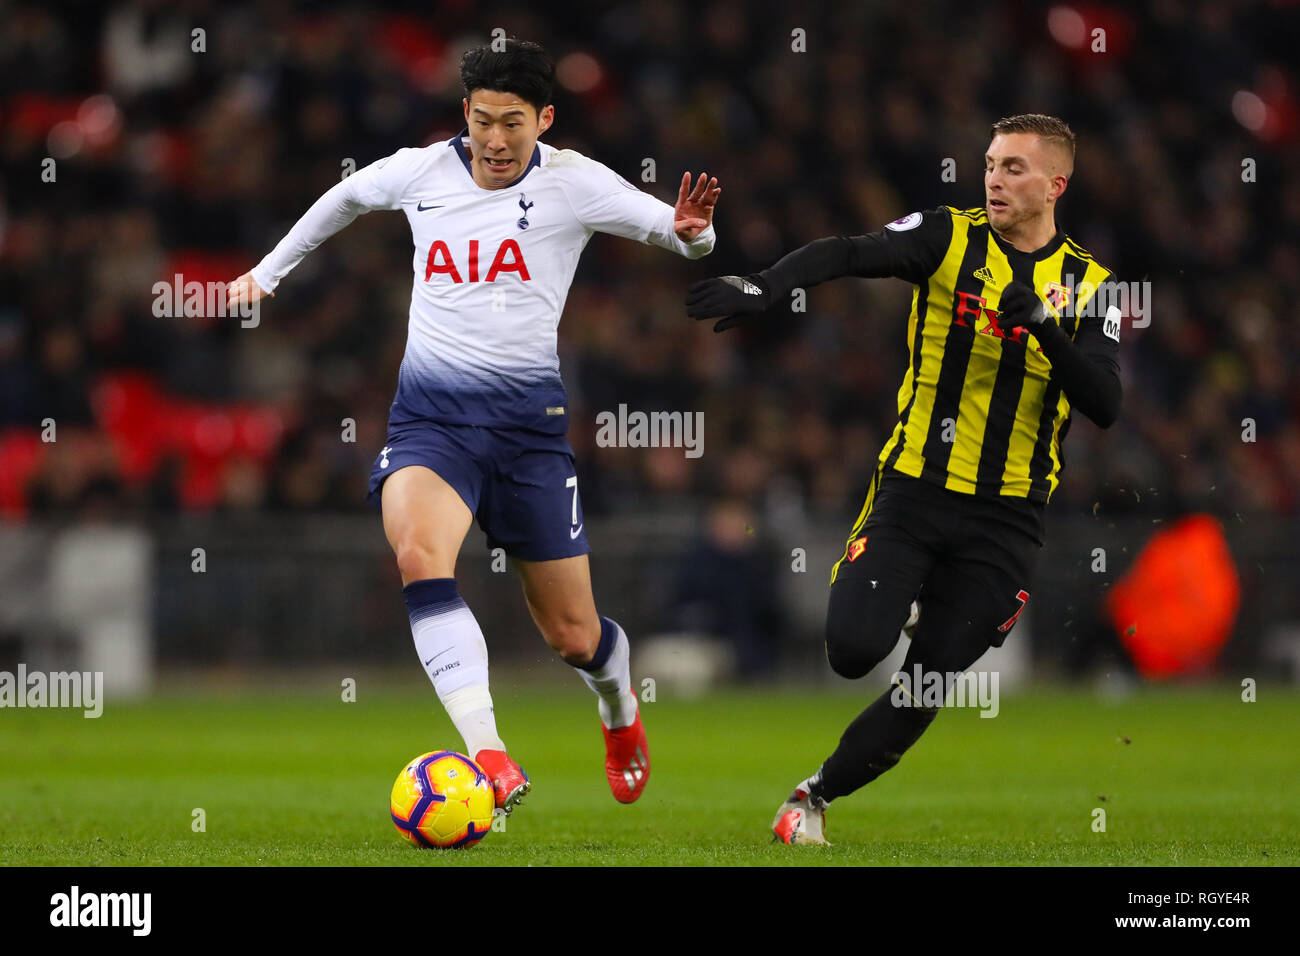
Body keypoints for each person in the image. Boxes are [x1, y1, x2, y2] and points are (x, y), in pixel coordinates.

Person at [228, 38, 720, 814]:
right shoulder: (419, 170)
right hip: (432, 423)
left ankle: (619, 705)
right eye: (483, 120)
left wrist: (695, 233)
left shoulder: (575, 181)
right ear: (465, 114)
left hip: (529, 437)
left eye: (514, 124)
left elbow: (682, 232)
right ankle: (486, 752)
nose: (496, 139)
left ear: (544, 120)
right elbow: (345, 198)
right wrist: (266, 274)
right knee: (420, 553)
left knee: (573, 636)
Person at [685, 114, 1120, 843]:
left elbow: (1105, 404)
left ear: (1056, 184)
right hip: (915, 490)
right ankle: (904, 592)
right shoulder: (950, 235)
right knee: (853, 651)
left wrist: (1045, 324)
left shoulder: (1090, 285)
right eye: (990, 163)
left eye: (1015, 167)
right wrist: (768, 286)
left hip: (1008, 519)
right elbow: (849, 251)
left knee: (924, 685)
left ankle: (811, 798)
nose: (995, 178)